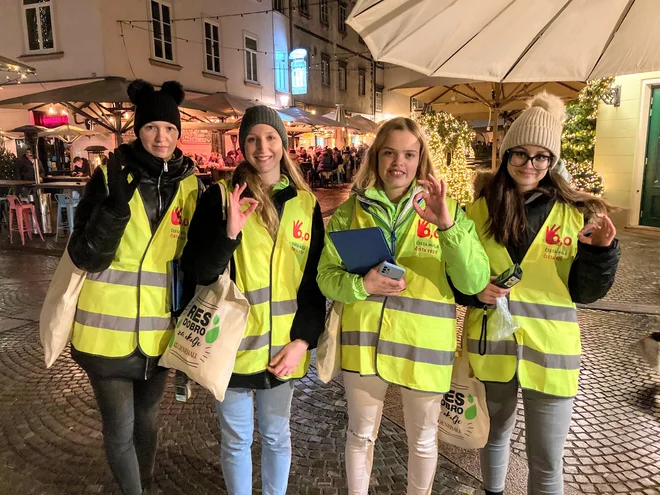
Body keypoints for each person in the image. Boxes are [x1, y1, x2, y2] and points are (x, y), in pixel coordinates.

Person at [317, 117, 490, 495]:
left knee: (424, 441)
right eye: (390, 153)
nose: (399, 162)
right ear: (376, 158)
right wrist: (361, 284)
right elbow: (325, 277)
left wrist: (447, 225)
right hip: (365, 345)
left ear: (420, 159)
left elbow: (474, 282)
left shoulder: (448, 211)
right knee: (360, 435)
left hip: (423, 346)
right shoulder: (349, 213)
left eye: (409, 154)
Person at [458, 92, 620, 495]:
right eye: (520, 154)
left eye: (541, 156)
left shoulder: (578, 212)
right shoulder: (478, 210)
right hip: (492, 348)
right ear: (506, 155)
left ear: (553, 160)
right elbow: (458, 281)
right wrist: (476, 295)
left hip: (551, 352)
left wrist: (601, 253)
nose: (529, 165)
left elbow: (586, 291)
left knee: (546, 459)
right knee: (492, 438)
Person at [66, 79, 204, 495]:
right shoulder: (109, 177)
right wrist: (113, 208)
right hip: (107, 333)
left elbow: (194, 260)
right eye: (151, 128)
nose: (161, 137)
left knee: (148, 421)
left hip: (159, 331)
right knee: (120, 425)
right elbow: (85, 255)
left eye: (170, 129)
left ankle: (143, 484)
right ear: (137, 130)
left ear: (179, 134)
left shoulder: (190, 183)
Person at [181, 105, 326, 495]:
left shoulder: (306, 205)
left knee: (277, 436)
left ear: (283, 143)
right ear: (242, 145)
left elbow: (314, 283)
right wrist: (228, 235)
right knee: (236, 440)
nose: (262, 148)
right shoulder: (221, 196)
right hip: (230, 350)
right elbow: (197, 270)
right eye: (252, 139)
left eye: (270, 138)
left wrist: (303, 341)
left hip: (284, 351)